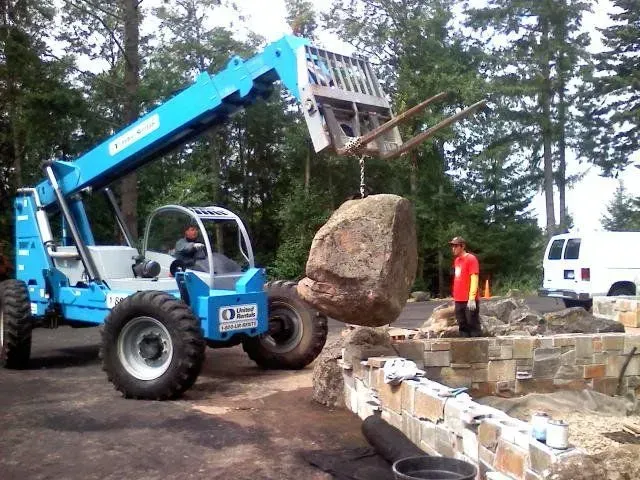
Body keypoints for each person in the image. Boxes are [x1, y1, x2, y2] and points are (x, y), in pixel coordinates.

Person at [449, 236, 481, 337]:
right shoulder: (457, 260)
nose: (453, 249)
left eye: (455, 246)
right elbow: (458, 278)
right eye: (452, 246)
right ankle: (464, 347)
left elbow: (474, 279)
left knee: (472, 325)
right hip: (459, 299)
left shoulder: (471, 259)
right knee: (462, 325)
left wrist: (472, 298)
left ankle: (477, 347)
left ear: (462, 246)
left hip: (469, 300)